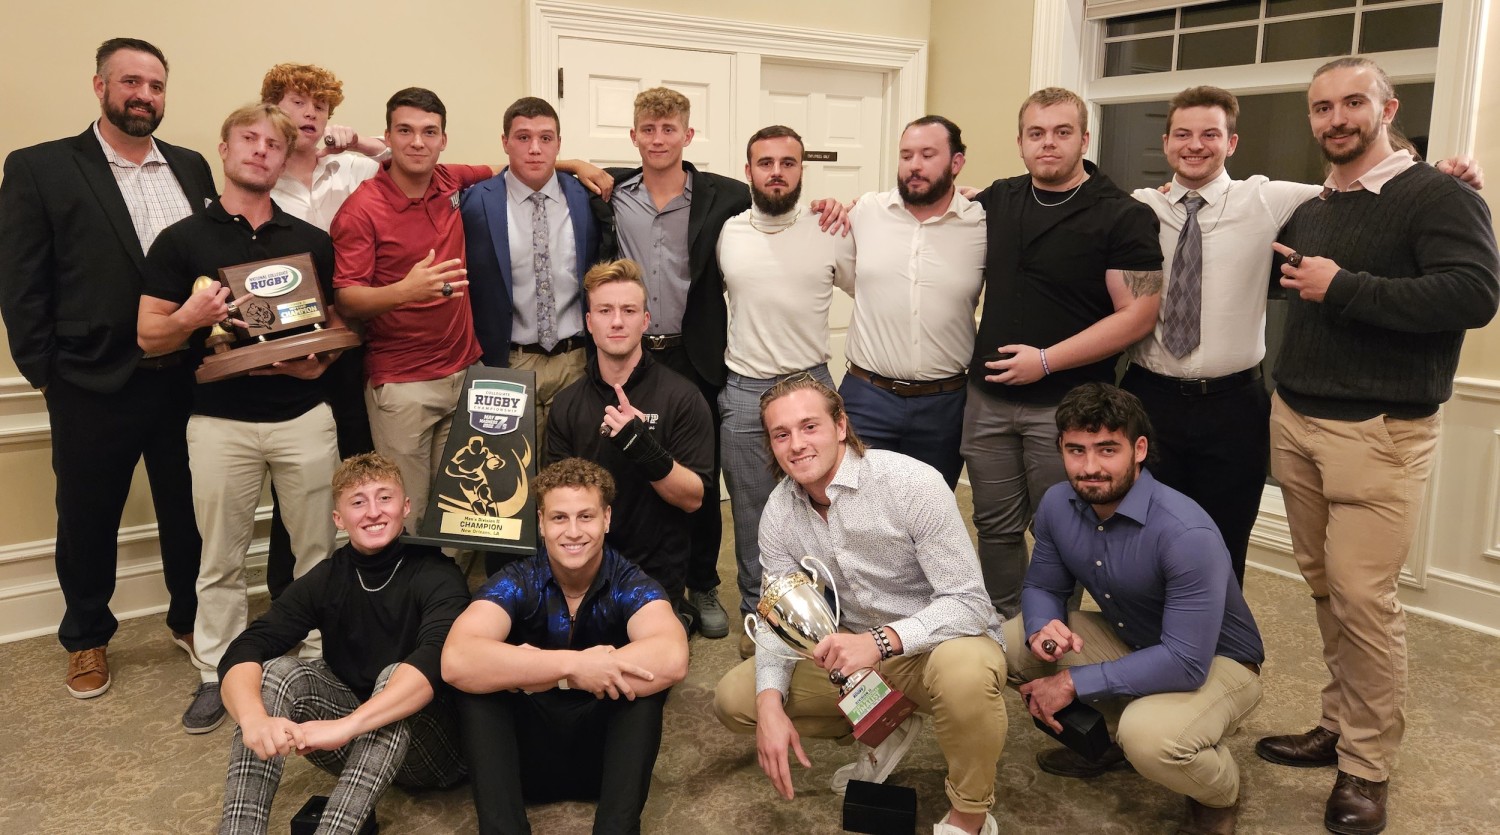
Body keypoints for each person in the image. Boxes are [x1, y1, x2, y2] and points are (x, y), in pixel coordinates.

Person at [1255, 57, 1499, 835]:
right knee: (1326, 587)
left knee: (1366, 600)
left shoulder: (1438, 194)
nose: (1336, 119)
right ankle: (1339, 722)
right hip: (1297, 418)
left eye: (1353, 102)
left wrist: (1346, 286)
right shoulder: (1322, 203)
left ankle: (1366, 766)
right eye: (1322, 107)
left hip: (1380, 433)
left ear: (1387, 107)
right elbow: (1287, 278)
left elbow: (1474, 293)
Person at [1121, 86, 1485, 588]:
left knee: (1224, 546)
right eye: (1182, 134)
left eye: (1210, 134)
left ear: (1231, 143)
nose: (1195, 144)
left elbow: (1372, 184)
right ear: (1166, 143)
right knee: (1143, 538)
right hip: (1148, 397)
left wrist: (1441, 171)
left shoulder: (1272, 197)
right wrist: (970, 198)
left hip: (1232, 405)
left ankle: (1225, 659)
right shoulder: (1138, 208)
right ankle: (1146, 652)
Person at [0, 37, 210, 699]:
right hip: (91, 381)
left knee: (188, 509)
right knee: (88, 515)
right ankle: (87, 634)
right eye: (130, 82)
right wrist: (44, 372)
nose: (143, 95)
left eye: (155, 85)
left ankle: (190, 616)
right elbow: (21, 280)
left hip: (186, 377)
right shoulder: (41, 168)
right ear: (100, 87)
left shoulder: (193, 167)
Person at [712, 376, 1007, 835]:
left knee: (966, 674)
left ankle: (969, 816)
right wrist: (769, 703)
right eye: (781, 434)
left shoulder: (911, 484)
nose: (797, 445)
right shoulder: (778, 513)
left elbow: (969, 602)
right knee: (739, 699)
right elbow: (779, 617)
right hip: (853, 662)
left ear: (841, 425)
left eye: (810, 426)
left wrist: (880, 642)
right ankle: (884, 721)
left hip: (937, 648)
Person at [138, 103, 342, 734]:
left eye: (272, 144)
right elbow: (149, 337)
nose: (260, 151)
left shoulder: (310, 242)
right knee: (220, 557)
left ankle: (317, 659)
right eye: (247, 140)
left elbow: (333, 324)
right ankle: (217, 670)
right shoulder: (181, 241)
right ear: (224, 151)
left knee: (317, 549)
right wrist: (191, 320)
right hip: (217, 421)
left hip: (304, 416)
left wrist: (318, 361)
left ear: (285, 158)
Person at [1007, 382, 1264, 835]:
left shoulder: (1186, 532)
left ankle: (1219, 792)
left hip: (1217, 661)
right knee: (1010, 643)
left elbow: (1186, 662)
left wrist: (1071, 681)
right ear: (1060, 449)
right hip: (1136, 637)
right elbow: (1043, 585)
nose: (1090, 468)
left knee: (1149, 736)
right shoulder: (1056, 503)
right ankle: (1109, 742)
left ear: (1139, 449)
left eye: (1107, 450)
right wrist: (1040, 627)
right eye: (1076, 450)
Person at [963, 87, 1163, 618]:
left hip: (1069, 408)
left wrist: (1046, 359)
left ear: (1084, 139)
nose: (1048, 143)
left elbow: (1139, 314)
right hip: (987, 400)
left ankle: (1050, 630)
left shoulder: (1121, 215)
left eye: (1061, 132)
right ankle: (1006, 627)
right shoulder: (997, 201)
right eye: (1036, 133)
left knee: (1064, 528)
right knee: (995, 526)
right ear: (1021, 142)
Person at [217, 453, 469, 834]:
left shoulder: (438, 573)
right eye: (357, 502)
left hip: (435, 749)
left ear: (405, 507)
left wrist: (347, 726)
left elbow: (435, 663)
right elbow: (249, 645)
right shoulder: (328, 577)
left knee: (396, 674)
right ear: (339, 519)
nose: (373, 512)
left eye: (384, 498)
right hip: (356, 738)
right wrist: (253, 719)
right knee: (278, 672)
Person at [442, 457, 689, 834]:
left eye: (585, 517)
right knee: (477, 689)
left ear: (607, 518)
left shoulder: (631, 582)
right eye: (559, 518)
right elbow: (457, 659)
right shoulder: (516, 580)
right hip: (526, 764)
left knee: (645, 688)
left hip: (603, 764)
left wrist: (531, 672)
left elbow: (672, 658)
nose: (573, 532)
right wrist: (573, 667)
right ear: (540, 523)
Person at [601, 86, 750, 641]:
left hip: (695, 354)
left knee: (698, 478)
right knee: (630, 465)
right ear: (634, 135)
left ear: (688, 135)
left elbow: (785, 204)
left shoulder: (724, 196)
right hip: (630, 352)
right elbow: (530, 166)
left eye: (670, 129)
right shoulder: (611, 191)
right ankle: (628, 574)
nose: (658, 138)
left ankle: (702, 581)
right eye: (648, 129)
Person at [717, 125, 854, 655]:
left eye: (788, 162)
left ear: (802, 170)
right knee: (752, 509)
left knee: (826, 506)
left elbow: (871, 287)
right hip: (746, 387)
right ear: (748, 171)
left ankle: (830, 613)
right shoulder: (728, 233)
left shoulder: (829, 229)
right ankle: (762, 616)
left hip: (810, 383)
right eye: (765, 162)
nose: (777, 171)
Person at [331, 88, 495, 535]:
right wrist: (406, 290)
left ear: (443, 139)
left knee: (464, 514)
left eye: (429, 132)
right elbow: (347, 296)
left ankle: (452, 601)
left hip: (465, 371)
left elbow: (513, 166)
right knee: (410, 512)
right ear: (388, 137)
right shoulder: (362, 208)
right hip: (402, 386)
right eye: (405, 131)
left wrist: (576, 164)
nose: (418, 142)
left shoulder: (449, 181)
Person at [260, 62, 382, 599]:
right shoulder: (261, 175)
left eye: (320, 106)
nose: (309, 113)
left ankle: (361, 588)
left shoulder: (354, 169)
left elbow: (412, 164)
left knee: (359, 465)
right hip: (293, 352)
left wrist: (360, 140)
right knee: (298, 483)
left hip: (357, 340)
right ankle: (290, 594)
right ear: (273, 111)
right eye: (295, 102)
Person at [546, 259, 714, 623]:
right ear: (589, 324)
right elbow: (552, 502)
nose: (617, 321)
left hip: (653, 571)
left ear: (646, 321)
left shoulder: (682, 397)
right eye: (605, 311)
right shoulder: (567, 403)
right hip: (580, 566)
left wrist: (644, 447)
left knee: (647, 673)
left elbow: (693, 498)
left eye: (628, 310)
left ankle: (677, 612)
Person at [840, 115, 985, 488]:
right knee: (856, 512)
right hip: (866, 398)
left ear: (956, 163)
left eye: (927, 154)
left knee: (930, 514)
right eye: (906, 155)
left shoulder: (982, 223)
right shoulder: (864, 212)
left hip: (945, 404)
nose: (914, 166)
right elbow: (836, 271)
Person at [460, 96, 603, 469]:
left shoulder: (588, 195)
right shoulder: (474, 201)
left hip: (576, 361)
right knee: (511, 479)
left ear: (559, 143)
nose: (535, 148)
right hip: (509, 364)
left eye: (546, 138)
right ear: (504, 142)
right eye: (523, 137)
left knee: (575, 475)